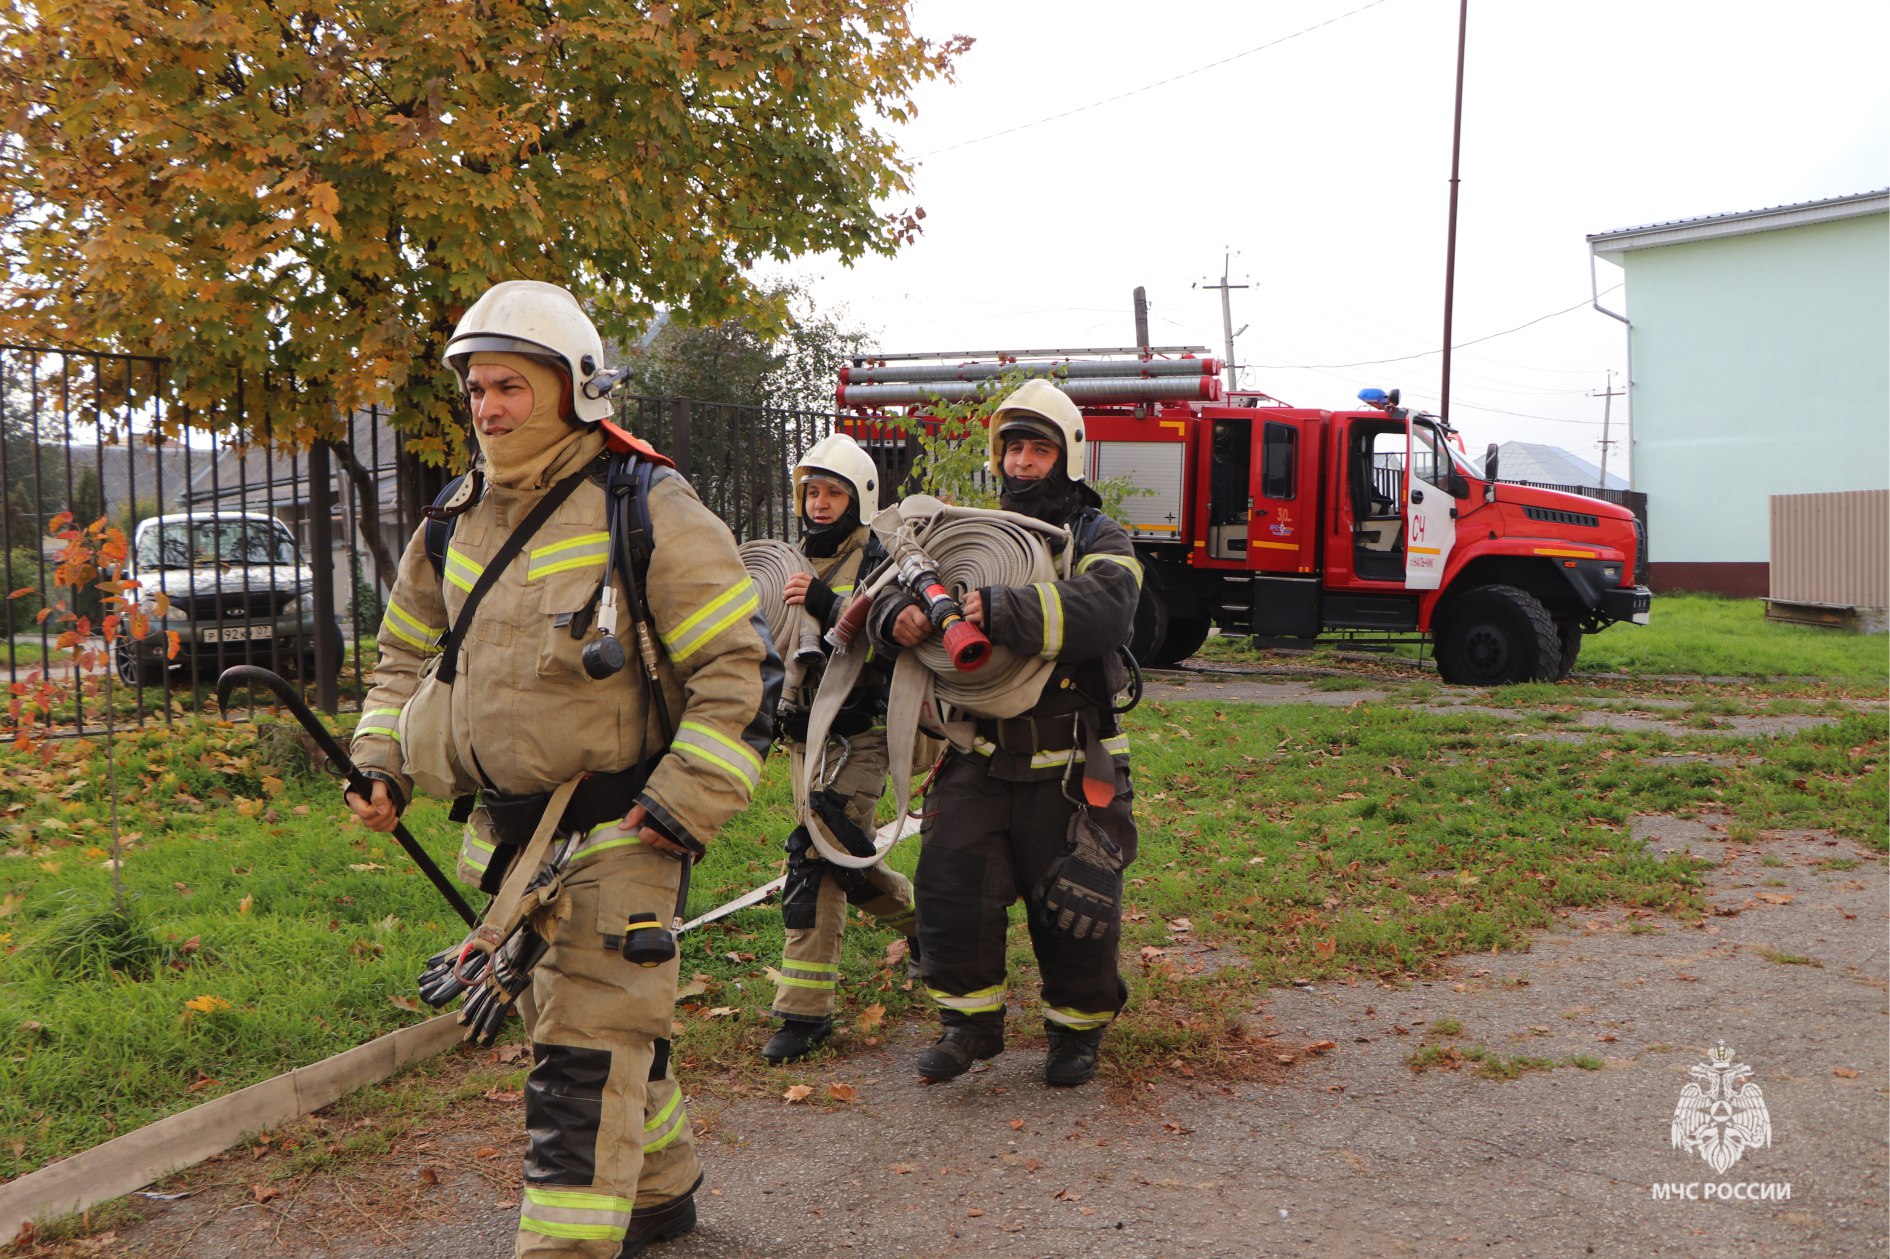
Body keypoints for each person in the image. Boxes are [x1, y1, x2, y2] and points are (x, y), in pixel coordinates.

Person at [343, 280, 780, 1258]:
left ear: (575, 388)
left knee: (579, 1058)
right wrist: (381, 762)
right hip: (510, 837)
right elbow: (403, 660)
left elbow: (735, 671)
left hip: (626, 829)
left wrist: (678, 807)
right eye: (477, 389)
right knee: (576, 1022)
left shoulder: (646, 504)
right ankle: (660, 1192)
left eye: (510, 386)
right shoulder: (451, 520)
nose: (489, 407)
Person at [867, 379, 1141, 1087]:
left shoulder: (1097, 538)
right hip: (979, 754)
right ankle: (969, 1024)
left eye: (1037, 449)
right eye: (1012, 448)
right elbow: (892, 576)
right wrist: (893, 614)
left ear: (1069, 457)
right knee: (950, 885)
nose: (1021, 463)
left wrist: (1005, 607)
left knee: (1076, 902)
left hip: (1073, 760)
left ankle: (1076, 1032)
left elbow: (1111, 606)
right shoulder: (974, 536)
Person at [759, 433, 921, 1065]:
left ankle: (803, 1015)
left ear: (861, 499)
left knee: (816, 858)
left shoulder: (884, 560)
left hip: (861, 734)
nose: (819, 504)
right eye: (812, 492)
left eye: (833, 493)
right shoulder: (793, 559)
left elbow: (897, 643)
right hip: (805, 740)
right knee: (846, 859)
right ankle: (926, 931)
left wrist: (830, 606)